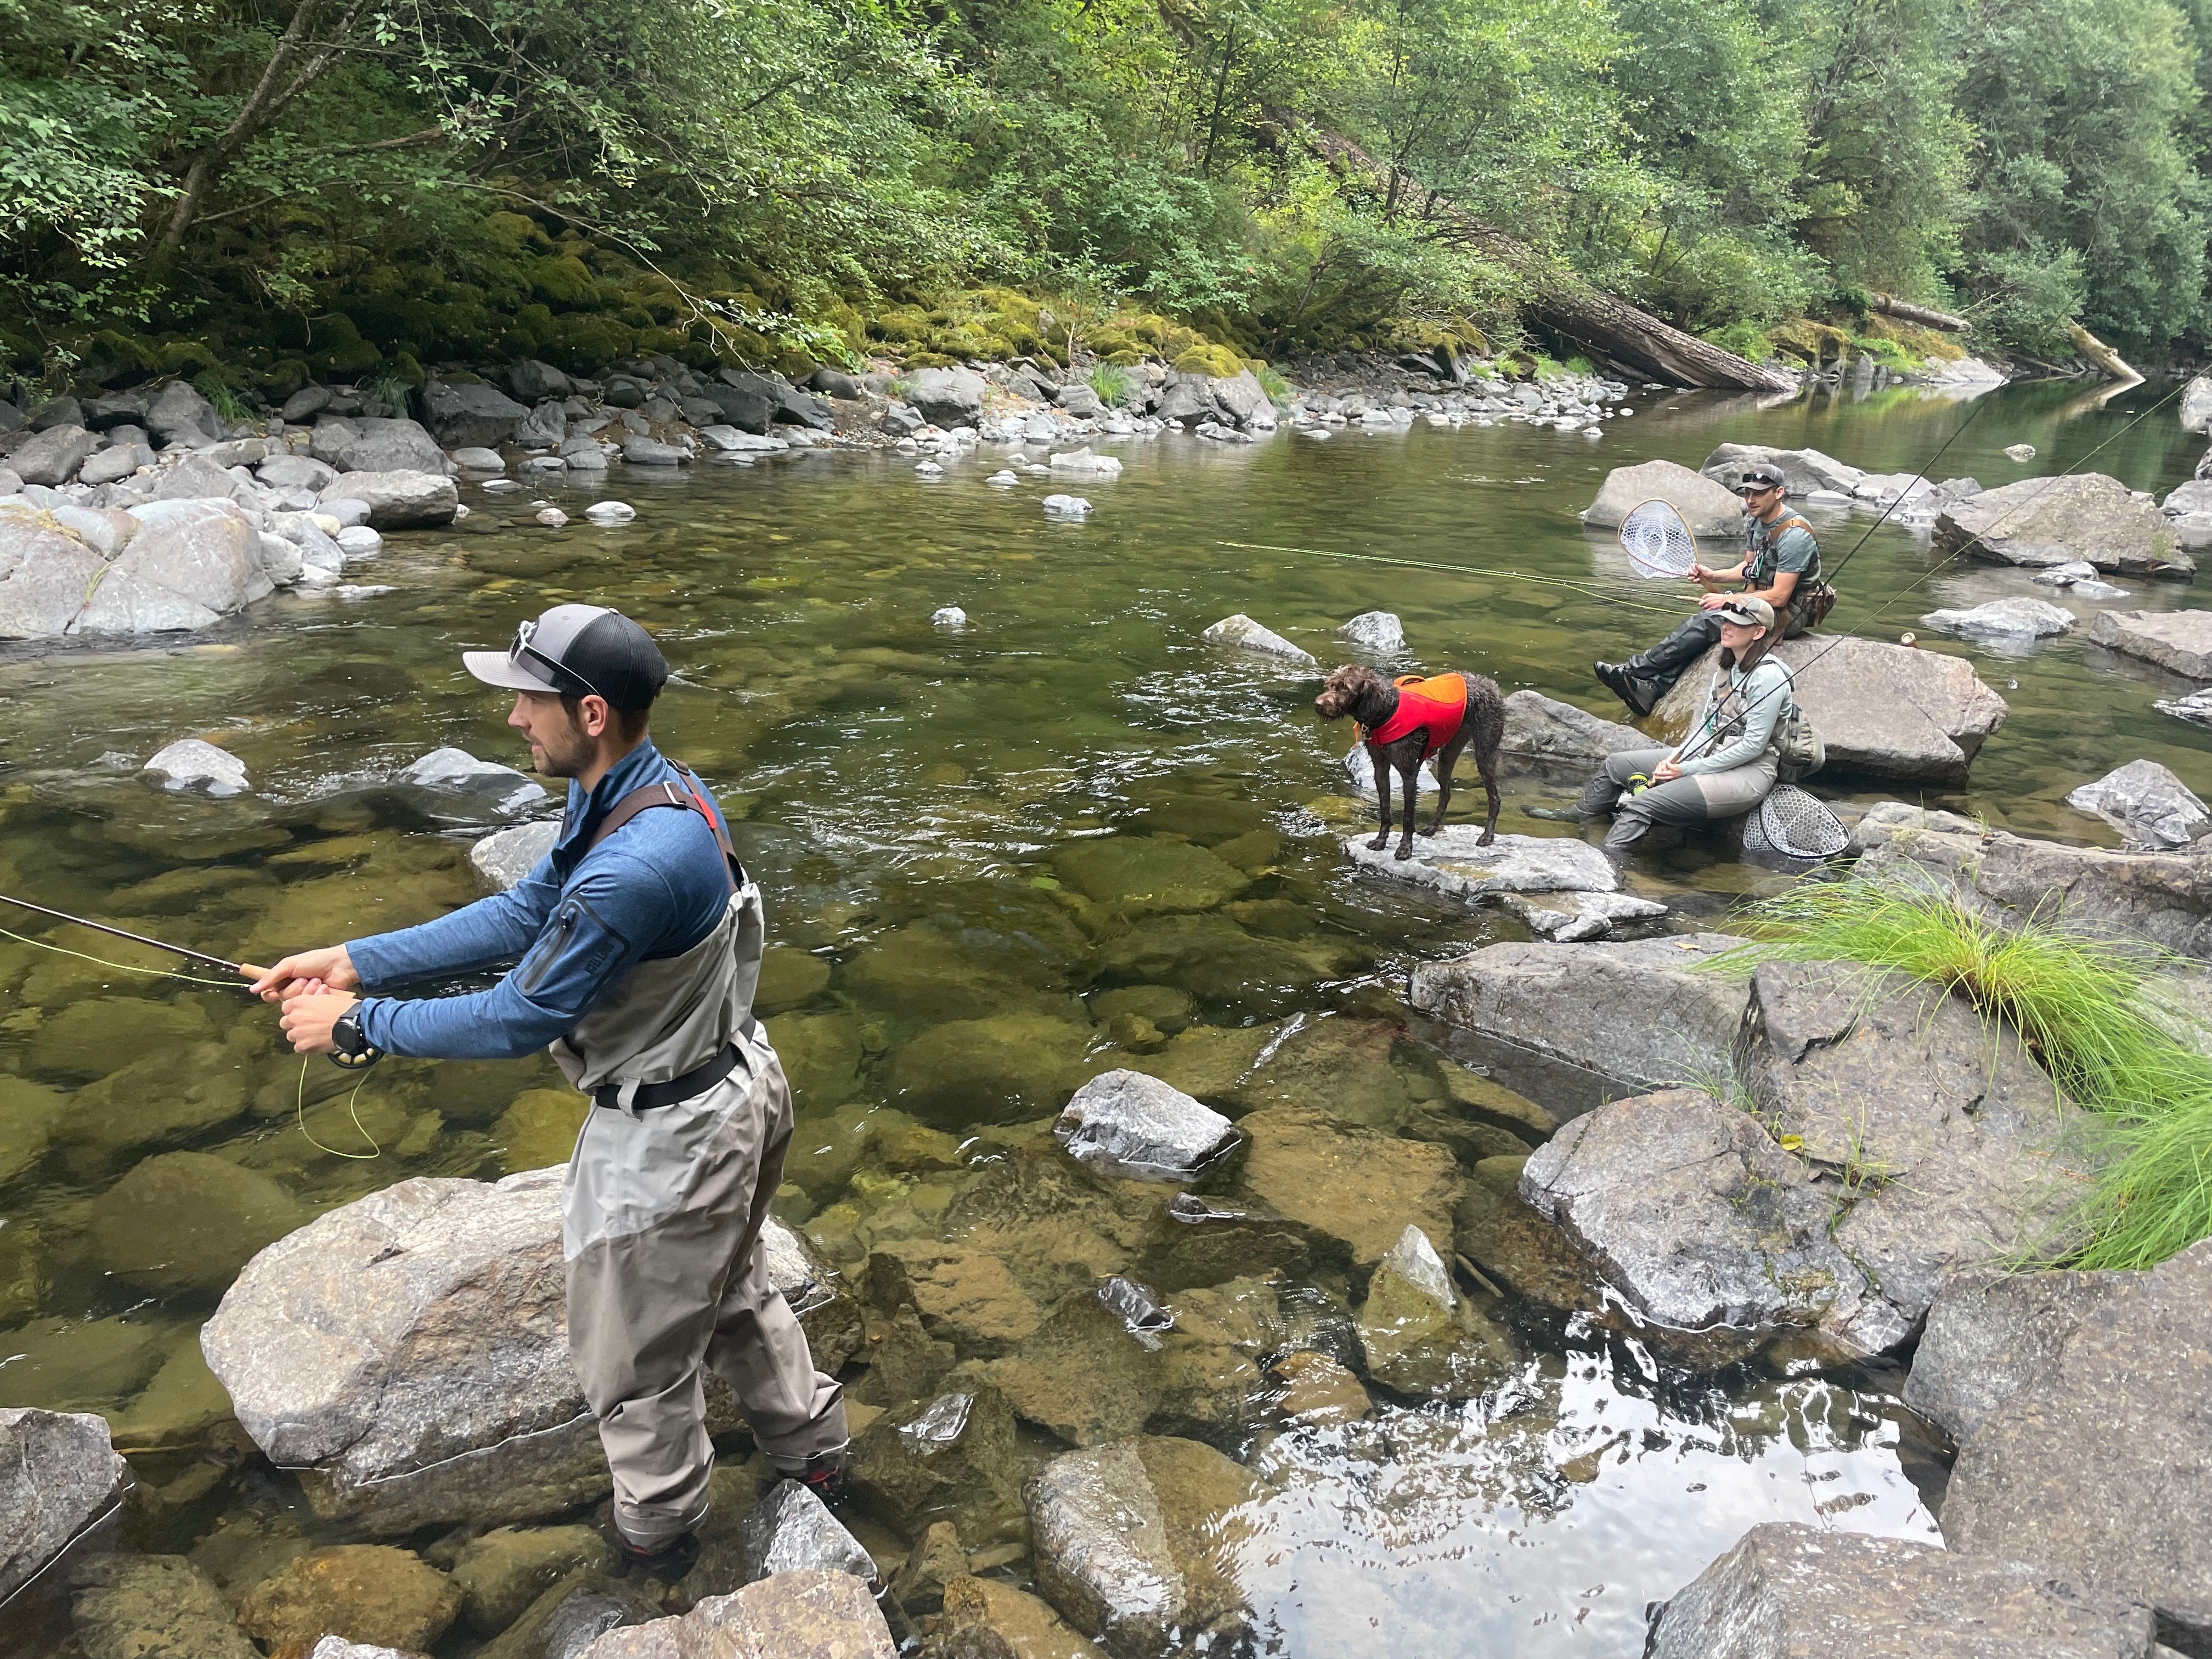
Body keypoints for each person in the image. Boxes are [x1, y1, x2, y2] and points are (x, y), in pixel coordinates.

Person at [248, 603, 847, 1580]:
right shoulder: (652, 792)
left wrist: (358, 1026)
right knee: (735, 1288)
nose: (516, 718)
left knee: (636, 1366)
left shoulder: (636, 865)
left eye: (530, 699)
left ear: (593, 711)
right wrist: (358, 960)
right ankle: (816, 1459)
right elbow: (527, 909)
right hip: (740, 1086)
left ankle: (659, 1550)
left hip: (675, 1136)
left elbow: (515, 1016)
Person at [1594, 461, 1822, 716]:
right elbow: (1748, 567)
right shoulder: (1756, 523)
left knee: (1711, 622)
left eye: (1759, 493)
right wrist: (1714, 575)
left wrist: (1728, 602)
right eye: (1747, 493)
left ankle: (1635, 671)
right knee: (1715, 627)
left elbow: (1780, 596)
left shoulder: (1794, 535)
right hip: (1759, 601)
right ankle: (1652, 688)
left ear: (1779, 492)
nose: (1750, 499)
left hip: (1788, 613)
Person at [1574, 596, 1791, 855]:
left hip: (1750, 772)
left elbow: (1753, 748)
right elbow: (1706, 728)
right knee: (1615, 765)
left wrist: (1686, 769)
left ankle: (1606, 860)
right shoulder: (1727, 667)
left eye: (1738, 623)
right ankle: (1579, 817)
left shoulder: (1769, 676)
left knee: (1643, 803)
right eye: (1726, 620)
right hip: (1709, 754)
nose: (1727, 626)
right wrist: (1677, 758)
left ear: (1759, 632)